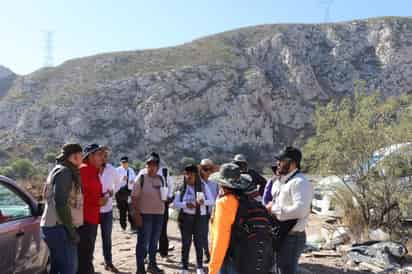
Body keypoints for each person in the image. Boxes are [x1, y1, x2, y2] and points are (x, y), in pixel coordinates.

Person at [266, 147, 314, 274]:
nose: (278, 163)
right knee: (279, 269)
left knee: (286, 270)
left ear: (292, 163)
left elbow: (301, 210)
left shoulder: (300, 182)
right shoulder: (282, 181)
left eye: (281, 160)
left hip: (292, 237)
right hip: (281, 233)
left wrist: (274, 209)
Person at [41, 143, 84, 274]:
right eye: (81, 156)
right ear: (75, 156)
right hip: (60, 227)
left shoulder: (58, 169)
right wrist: (71, 231)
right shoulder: (65, 172)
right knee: (69, 268)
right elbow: (60, 203)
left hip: (53, 226)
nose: (82, 159)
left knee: (57, 267)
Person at [208, 163, 252, 274]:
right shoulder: (246, 199)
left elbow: (221, 238)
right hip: (246, 257)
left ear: (222, 184)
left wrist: (213, 269)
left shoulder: (225, 203)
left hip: (229, 258)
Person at [173, 164, 215, 274]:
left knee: (198, 243)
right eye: (187, 174)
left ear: (196, 175)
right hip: (186, 219)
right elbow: (176, 204)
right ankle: (184, 268)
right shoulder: (181, 187)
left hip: (200, 218)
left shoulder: (203, 186)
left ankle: (200, 267)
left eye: (191, 175)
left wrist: (202, 202)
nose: (188, 177)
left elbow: (212, 201)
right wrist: (186, 205)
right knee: (186, 243)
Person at [131, 154, 166, 274]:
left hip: (159, 215)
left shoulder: (161, 179)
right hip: (145, 215)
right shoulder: (141, 178)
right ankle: (140, 269)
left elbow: (164, 195)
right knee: (143, 242)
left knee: (154, 241)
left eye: (154, 165)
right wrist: (137, 214)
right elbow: (134, 198)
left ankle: (152, 265)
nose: (151, 167)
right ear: (146, 166)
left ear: (158, 167)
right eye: (149, 165)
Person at [136, 152, 175, 258]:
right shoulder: (143, 173)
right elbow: (135, 187)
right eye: (151, 163)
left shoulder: (164, 171)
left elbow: (171, 185)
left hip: (162, 205)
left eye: (155, 162)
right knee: (146, 234)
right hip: (146, 208)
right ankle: (145, 256)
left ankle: (162, 252)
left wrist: (168, 197)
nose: (153, 165)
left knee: (161, 230)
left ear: (158, 163)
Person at [78, 144, 108, 274]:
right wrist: (99, 201)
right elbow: (79, 196)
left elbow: (93, 193)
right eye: (99, 154)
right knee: (84, 257)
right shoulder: (84, 170)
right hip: (85, 220)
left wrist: (102, 197)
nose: (103, 157)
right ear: (90, 156)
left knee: (87, 255)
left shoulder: (94, 171)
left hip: (92, 219)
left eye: (103, 154)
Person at [99, 148, 120, 272]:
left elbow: (118, 184)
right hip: (93, 210)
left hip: (107, 210)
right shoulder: (91, 169)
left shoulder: (111, 169)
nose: (104, 158)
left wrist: (112, 192)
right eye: (102, 155)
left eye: (106, 156)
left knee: (106, 237)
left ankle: (108, 262)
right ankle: (87, 264)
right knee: (89, 238)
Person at [199, 158, 219, 263]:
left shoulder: (216, 182)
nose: (207, 171)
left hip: (214, 212)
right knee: (203, 234)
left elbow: (218, 197)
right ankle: (207, 254)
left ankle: (214, 254)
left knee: (214, 234)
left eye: (209, 168)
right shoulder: (197, 182)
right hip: (201, 213)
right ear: (201, 169)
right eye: (204, 168)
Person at [116, 156, 137, 231]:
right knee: (122, 210)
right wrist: (122, 179)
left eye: (125, 162)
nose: (124, 164)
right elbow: (114, 181)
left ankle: (133, 227)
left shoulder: (131, 170)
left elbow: (135, 179)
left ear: (128, 162)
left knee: (130, 209)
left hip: (129, 192)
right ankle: (123, 227)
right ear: (120, 162)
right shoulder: (117, 170)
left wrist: (132, 181)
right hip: (120, 192)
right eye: (123, 162)